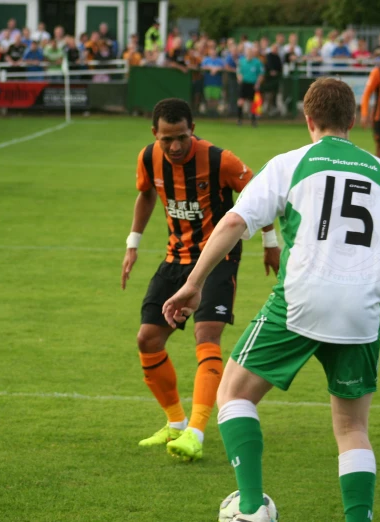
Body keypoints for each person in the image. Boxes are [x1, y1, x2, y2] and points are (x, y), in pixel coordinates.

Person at [161, 77, 380, 522]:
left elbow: (236, 221)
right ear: (353, 121)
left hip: (301, 302)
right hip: (362, 313)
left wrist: (195, 281)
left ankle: (252, 508)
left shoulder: (291, 164)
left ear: (308, 119)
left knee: (234, 394)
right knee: (353, 428)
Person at [122, 98, 280, 463]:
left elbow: (258, 195)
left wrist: (271, 243)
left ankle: (196, 432)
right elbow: (145, 195)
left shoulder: (219, 160)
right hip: (175, 256)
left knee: (206, 334)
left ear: (192, 129)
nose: (175, 146)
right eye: (166, 139)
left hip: (218, 257)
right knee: (148, 339)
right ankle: (175, 422)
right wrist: (133, 244)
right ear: (154, 135)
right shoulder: (148, 158)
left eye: (181, 137)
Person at [237, 47, 264, 127]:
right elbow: (238, 72)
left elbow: (261, 74)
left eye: (251, 52)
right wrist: (239, 78)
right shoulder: (242, 62)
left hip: (253, 84)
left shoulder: (257, 62)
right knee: (240, 101)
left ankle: (253, 120)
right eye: (248, 52)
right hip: (244, 84)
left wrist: (258, 83)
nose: (249, 54)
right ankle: (239, 119)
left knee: (253, 103)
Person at [201, 44, 225, 113]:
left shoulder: (220, 60)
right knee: (209, 98)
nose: (213, 52)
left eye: (214, 51)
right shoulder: (206, 60)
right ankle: (209, 111)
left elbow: (223, 67)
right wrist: (211, 68)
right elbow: (202, 67)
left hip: (217, 83)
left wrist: (216, 69)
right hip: (208, 82)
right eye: (212, 51)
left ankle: (214, 112)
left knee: (216, 98)